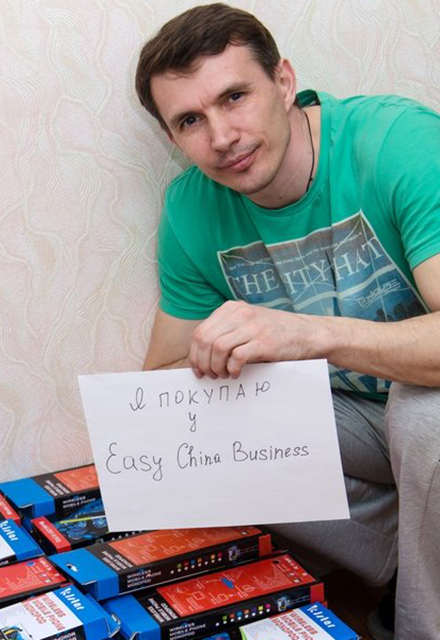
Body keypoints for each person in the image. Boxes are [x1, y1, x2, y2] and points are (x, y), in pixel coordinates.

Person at [134, 4, 440, 640]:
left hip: (423, 401)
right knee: (183, 429)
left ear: (283, 81)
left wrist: (308, 336)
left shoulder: (397, 143)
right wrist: (223, 357)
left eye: (234, 97)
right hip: (359, 422)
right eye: (191, 120)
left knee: (425, 413)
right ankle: (410, 556)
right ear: (172, 138)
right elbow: (164, 381)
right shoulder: (190, 208)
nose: (222, 137)